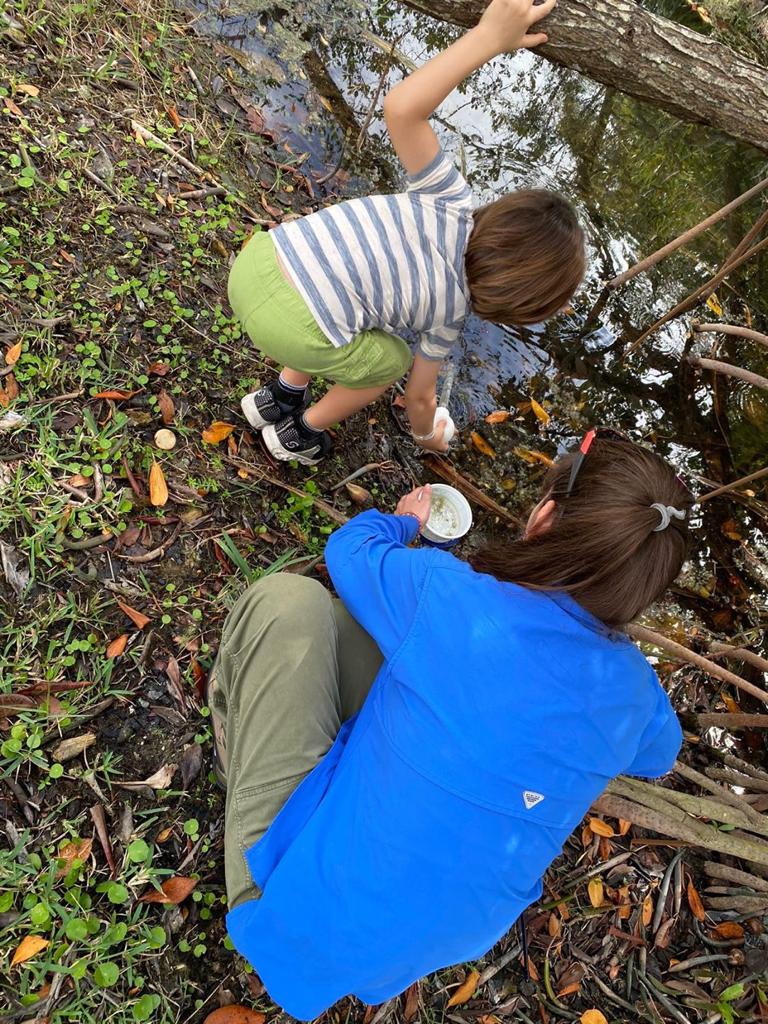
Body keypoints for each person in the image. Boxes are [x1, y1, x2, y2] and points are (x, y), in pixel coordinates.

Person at [207, 431, 691, 1018]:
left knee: (290, 606)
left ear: (544, 515)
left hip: (291, 909)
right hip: (415, 951)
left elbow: (349, 550)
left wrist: (404, 522)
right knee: (371, 640)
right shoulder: (634, 694)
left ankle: (243, 764)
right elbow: (661, 754)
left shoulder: (450, 594)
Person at [227, 0, 585, 465]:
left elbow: (400, 108)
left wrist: (488, 39)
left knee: (348, 297)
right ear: (519, 303)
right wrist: (427, 438)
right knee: (389, 360)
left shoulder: (450, 198)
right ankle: (298, 432)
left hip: (257, 261)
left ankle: (278, 396)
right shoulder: (449, 316)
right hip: (289, 328)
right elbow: (419, 396)